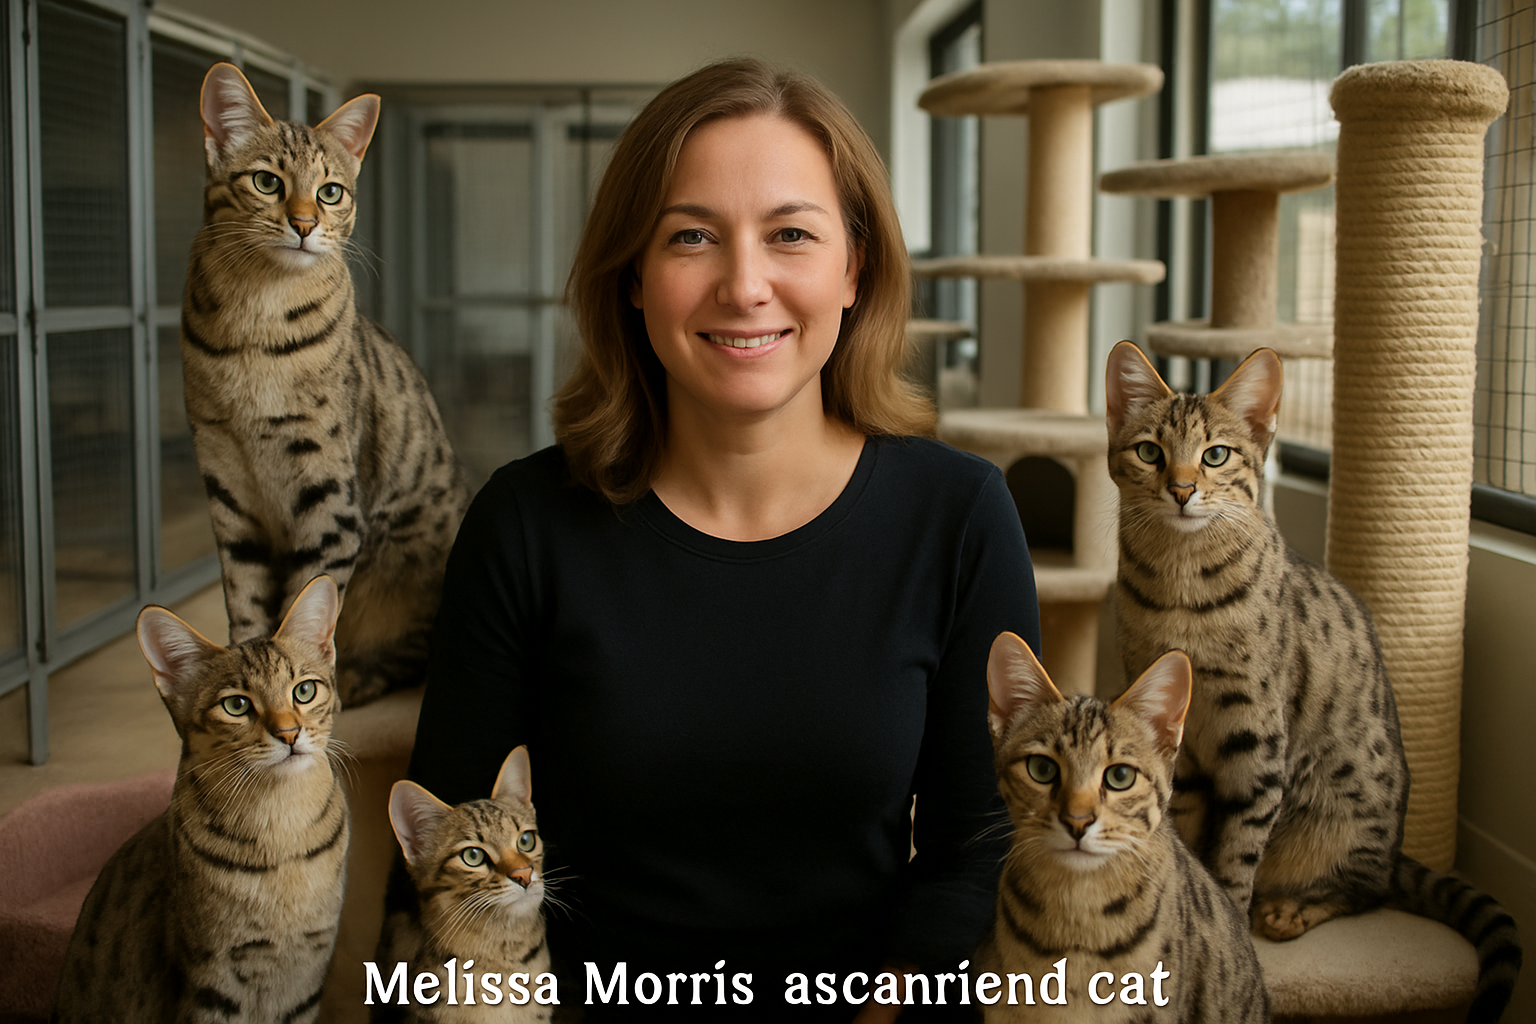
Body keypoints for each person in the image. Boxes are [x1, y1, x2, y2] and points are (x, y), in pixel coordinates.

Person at [407, 57, 1039, 1022]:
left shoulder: (959, 518)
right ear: (631, 276)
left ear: (853, 268)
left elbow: (979, 854)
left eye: (791, 235)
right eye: (692, 236)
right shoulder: (523, 523)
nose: (745, 287)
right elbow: (444, 878)